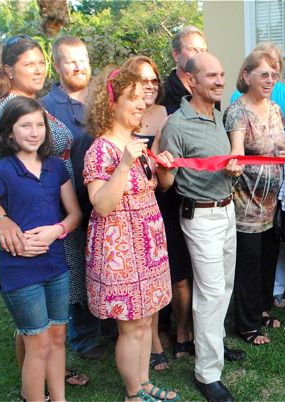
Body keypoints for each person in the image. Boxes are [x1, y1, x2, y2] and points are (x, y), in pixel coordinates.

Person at [0, 34, 90, 389]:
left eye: (42, 62)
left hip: (57, 215)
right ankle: (36, 382)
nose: (39, 69)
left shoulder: (31, 103)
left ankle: (48, 371)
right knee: (34, 318)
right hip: (35, 222)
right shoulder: (7, 110)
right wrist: (0, 217)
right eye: (29, 64)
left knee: (50, 313)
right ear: (8, 70)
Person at [0, 96, 82, 402]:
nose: (34, 132)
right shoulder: (2, 171)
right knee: (37, 344)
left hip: (56, 267)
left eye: (39, 125)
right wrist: (4, 240)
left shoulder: (55, 167)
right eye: (24, 125)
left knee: (57, 339)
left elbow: (74, 214)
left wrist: (58, 229)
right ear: (9, 133)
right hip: (20, 273)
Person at [83, 67, 179, 402]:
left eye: (143, 98)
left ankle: (144, 382)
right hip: (121, 247)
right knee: (130, 325)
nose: (141, 105)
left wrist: (165, 170)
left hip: (148, 243)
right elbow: (102, 205)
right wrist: (123, 164)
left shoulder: (137, 143)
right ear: (111, 104)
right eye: (132, 99)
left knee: (145, 322)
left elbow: (160, 187)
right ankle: (133, 393)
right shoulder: (101, 149)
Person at [157, 52, 245, 402]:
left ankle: (215, 349)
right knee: (209, 295)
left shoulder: (218, 117)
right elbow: (167, 183)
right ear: (190, 80)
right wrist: (163, 167)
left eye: (222, 74)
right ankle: (207, 374)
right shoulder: (177, 124)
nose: (220, 81)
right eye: (212, 76)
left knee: (223, 287)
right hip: (200, 217)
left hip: (226, 211)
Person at [41, 35, 108, 362]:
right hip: (67, 206)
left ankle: (108, 325)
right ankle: (83, 337)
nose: (79, 65)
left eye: (83, 58)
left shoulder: (102, 97)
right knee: (76, 272)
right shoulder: (46, 108)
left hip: (106, 204)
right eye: (71, 60)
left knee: (103, 266)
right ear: (57, 65)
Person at [224, 50, 285, 345]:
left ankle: (262, 310)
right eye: (264, 74)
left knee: (267, 260)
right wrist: (242, 159)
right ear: (246, 76)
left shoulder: (276, 109)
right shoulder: (237, 112)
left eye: (274, 75)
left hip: (272, 203)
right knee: (248, 266)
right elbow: (236, 153)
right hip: (246, 204)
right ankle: (246, 323)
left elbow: (280, 146)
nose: (270, 80)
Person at [157, 25, 206, 358]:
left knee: (196, 267)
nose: (199, 56)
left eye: (204, 49)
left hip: (199, 194)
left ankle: (191, 330)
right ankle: (168, 329)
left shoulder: (207, 90)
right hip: (165, 194)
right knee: (173, 268)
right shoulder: (161, 94)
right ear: (176, 55)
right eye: (192, 50)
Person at [122, 55, 172, 372]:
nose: (150, 86)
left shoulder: (164, 114)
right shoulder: (122, 120)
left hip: (156, 199)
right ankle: (149, 346)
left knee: (154, 280)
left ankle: (153, 340)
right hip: (125, 206)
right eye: (143, 81)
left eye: (154, 80)